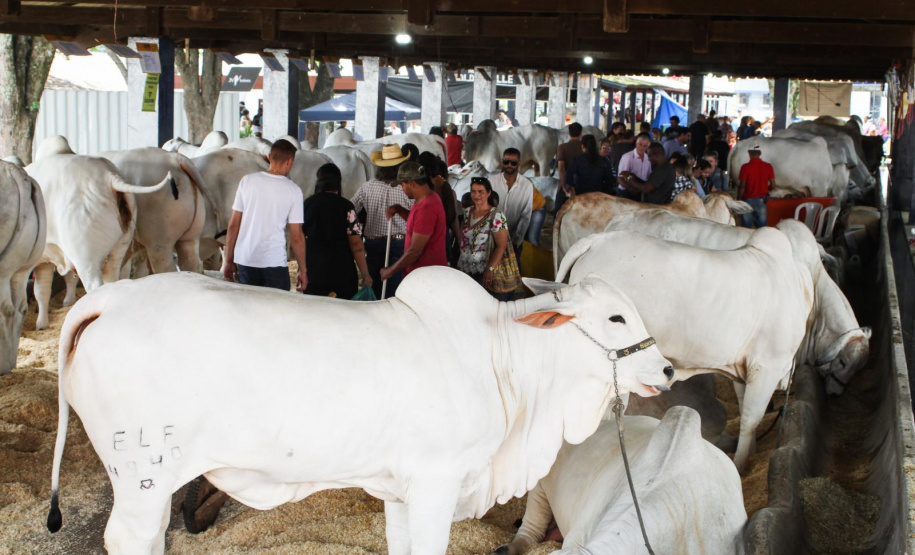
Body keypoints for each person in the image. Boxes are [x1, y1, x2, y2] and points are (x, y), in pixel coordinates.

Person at [223, 139, 306, 291]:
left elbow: (233, 225)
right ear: (290, 161)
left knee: (248, 310)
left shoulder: (246, 181)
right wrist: (303, 270)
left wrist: (228, 260)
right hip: (274, 262)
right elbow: (296, 236)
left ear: (269, 157)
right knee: (276, 312)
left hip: (246, 260)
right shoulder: (293, 190)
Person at [352, 144, 413, 299]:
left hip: (373, 243)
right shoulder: (407, 188)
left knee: (374, 287)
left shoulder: (367, 187)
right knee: (396, 291)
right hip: (400, 243)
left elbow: (350, 210)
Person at [302, 163, 371, 300]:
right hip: (343, 273)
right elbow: (356, 243)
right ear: (338, 183)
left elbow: (299, 239)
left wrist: (301, 270)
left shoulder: (306, 205)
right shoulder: (347, 207)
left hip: (314, 272)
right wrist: (365, 274)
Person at [381, 162, 448, 280]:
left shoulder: (426, 208)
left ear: (411, 184)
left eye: (402, 185)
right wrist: (399, 209)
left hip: (425, 277)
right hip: (423, 274)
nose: (402, 189)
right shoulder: (430, 198)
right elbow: (418, 225)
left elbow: (415, 251)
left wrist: (391, 270)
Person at [457, 177, 513, 299]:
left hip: (485, 271)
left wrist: (490, 269)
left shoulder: (497, 216)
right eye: (473, 191)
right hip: (465, 268)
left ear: (488, 193)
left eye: (481, 191)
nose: (476, 195)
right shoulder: (467, 212)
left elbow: (501, 246)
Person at [419, 152, 461, 264]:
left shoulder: (419, 188)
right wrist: (459, 238)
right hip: (442, 235)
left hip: (423, 236)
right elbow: (453, 217)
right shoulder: (445, 188)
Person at [490, 148, 534, 255]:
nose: (509, 165)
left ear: (519, 163)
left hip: (513, 239)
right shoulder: (491, 181)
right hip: (491, 239)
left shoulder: (527, 185)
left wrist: (516, 242)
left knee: (514, 270)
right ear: (502, 161)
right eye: (506, 162)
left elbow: (526, 216)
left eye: (513, 163)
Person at [737, 144, 775, 228]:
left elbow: (742, 187)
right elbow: (773, 185)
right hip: (762, 200)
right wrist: (766, 191)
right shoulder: (768, 166)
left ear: (749, 153)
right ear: (760, 153)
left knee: (746, 229)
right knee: (762, 229)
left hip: (747, 201)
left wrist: (738, 200)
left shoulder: (745, 167)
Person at [555, 122, 583, 213]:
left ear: (569, 133)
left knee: (559, 211)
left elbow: (561, 168)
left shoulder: (562, 147)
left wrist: (564, 186)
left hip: (568, 183)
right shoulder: (585, 147)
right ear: (581, 133)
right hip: (582, 184)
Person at [616, 133, 652, 199]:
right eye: (640, 144)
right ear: (636, 144)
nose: (642, 147)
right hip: (625, 192)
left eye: (645, 146)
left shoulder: (648, 158)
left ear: (648, 147)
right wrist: (631, 189)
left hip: (640, 192)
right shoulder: (627, 157)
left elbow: (648, 176)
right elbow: (621, 178)